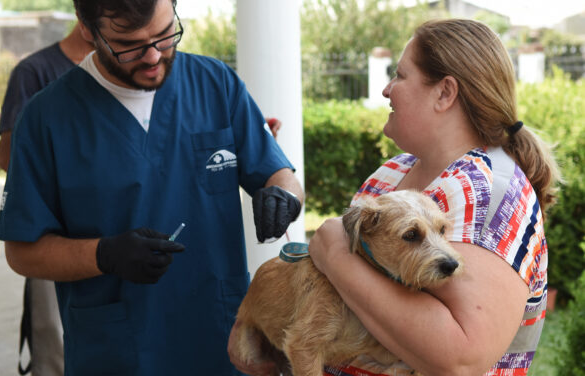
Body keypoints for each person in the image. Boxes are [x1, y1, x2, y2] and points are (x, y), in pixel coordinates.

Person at [229, 19, 560, 376]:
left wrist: (335, 255)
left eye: (400, 75)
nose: (387, 89)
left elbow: (461, 358)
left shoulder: (492, 191)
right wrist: (255, 317)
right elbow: (334, 303)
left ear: (444, 93)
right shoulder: (391, 174)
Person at [0, 0, 304, 375]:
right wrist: (104, 254)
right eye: (129, 44)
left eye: (165, 34)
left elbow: (280, 174)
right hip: (117, 352)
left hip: (221, 340)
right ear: (87, 29)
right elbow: (23, 253)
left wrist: (283, 195)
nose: (154, 56)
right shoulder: (47, 119)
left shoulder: (216, 84)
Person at [0, 23, 93, 376]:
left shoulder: (127, 67)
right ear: (88, 20)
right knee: (55, 345)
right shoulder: (34, 72)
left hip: (115, 235)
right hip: (54, 235)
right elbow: (7, 157)